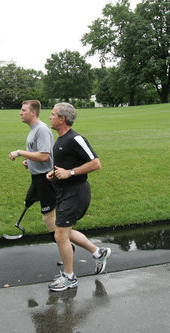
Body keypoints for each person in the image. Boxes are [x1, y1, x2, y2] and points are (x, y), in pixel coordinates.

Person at [46, 102, 111, 292]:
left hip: (76, 193)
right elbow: (65, 165)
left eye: (52, 114)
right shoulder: (61, 139)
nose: (49, 117)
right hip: (64, 192)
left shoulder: (76, 139)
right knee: (65, 232)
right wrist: (54, 173)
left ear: (62, 119)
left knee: (60, 234)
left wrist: (70, 173)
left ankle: (69, 278)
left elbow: (96, 163)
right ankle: (98, 252)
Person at [9, 100, 57, 240]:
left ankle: (68, 248)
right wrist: (29, 162)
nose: (20, 113)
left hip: (46, 178)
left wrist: (20, 152)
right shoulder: (34, 129)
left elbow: (44, 156)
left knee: (49, 218)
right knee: (28, 201)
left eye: (24, 110)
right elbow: (38, 154)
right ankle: (65, 249)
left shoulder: (41, 129)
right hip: (36, 177)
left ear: (33, 112)